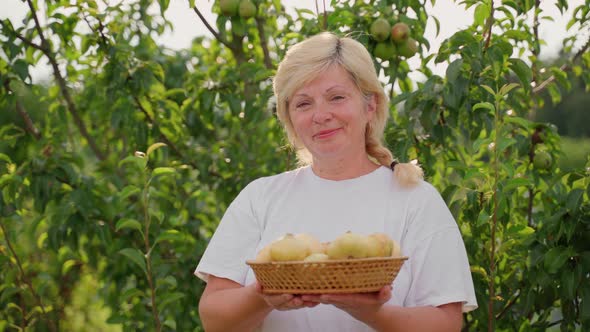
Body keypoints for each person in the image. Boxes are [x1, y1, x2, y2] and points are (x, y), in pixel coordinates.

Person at [195, 31, 477, 332]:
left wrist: (372, 313)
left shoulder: (416, 200)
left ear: (370, 105)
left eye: (337, 97)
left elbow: (446, 323)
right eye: (303, 104)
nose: (321, 115)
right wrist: (264, 295)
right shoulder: (260, 197)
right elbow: (214, 318)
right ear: (289, 118)